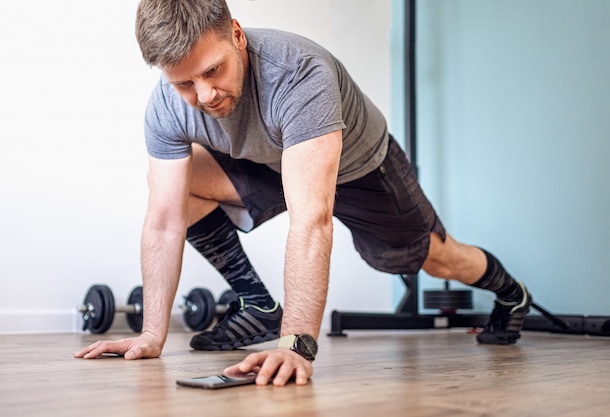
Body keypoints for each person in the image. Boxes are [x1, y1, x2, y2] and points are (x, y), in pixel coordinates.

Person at [74, 0, 532, 386]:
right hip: (267, 160)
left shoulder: (297, 73)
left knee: (436, 258)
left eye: (213, 71)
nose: (205, 94)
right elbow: (163, 220)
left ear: (236, 34)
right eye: (184, 83)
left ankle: (511, 293)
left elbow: (311, 220)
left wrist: (297, 345)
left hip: (362, 167)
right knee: (175, 184)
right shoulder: (167, 107)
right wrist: (151, 334)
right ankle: (256, 304)